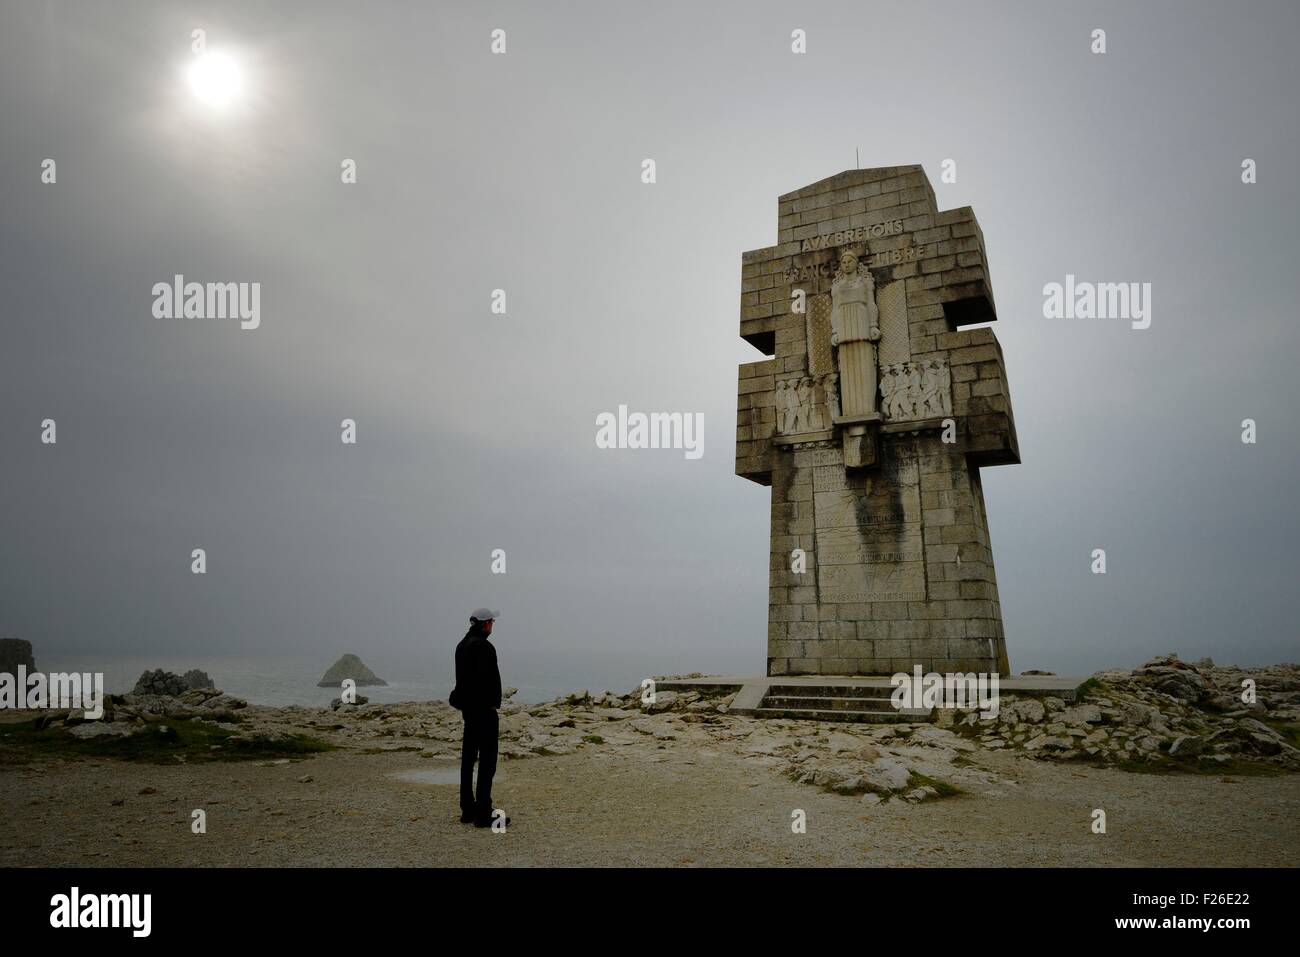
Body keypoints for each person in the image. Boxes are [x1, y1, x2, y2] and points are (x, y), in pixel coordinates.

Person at [449, 608, 508, 828]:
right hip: (484, 712)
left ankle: (467, 808)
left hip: (469, 712)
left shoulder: (461, 646)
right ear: (485, 624)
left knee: (468, 760)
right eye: (492, 622)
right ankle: (484, 812)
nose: (492, 625)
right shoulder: (484, 647)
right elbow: (489, 680)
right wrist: (493, 704)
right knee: (487, 762)